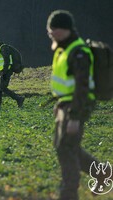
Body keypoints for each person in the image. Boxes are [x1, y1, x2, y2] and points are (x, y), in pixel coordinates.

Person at [47, 10, 107, 199]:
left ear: (62, 29)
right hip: (66, 104)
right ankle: (102, 173)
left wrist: (74, 116)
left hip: (78, 105)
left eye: (52, 29)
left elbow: (81, 87)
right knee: (63, 146)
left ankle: (69, 193)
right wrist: (60, 103)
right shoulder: (64, 48)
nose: (49, 32)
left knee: (67, 149)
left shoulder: (78, 52)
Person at [0, 36, 25, 108]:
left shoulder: (3, 48)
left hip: (6, 71)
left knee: (2, 87)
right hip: (1, 72)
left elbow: (7, 61)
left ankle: (19, 99)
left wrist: (3, 71)